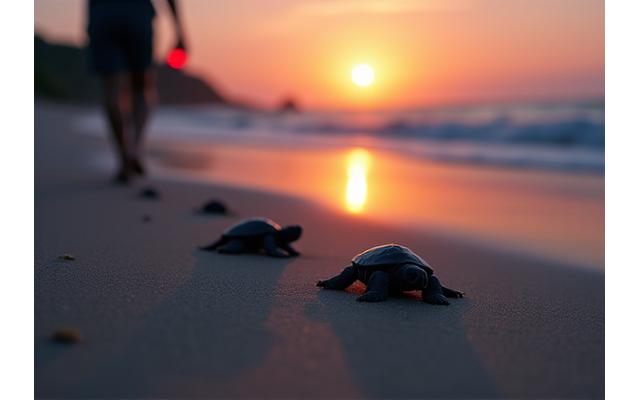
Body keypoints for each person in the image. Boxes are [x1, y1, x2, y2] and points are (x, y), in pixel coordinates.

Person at [87, 0, 186, 183]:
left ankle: (123, 155)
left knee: (111, 89)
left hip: (102, 14)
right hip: (137, 14)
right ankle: (135, 148)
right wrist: (180, 32)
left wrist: (91, 21)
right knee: (141, 86)